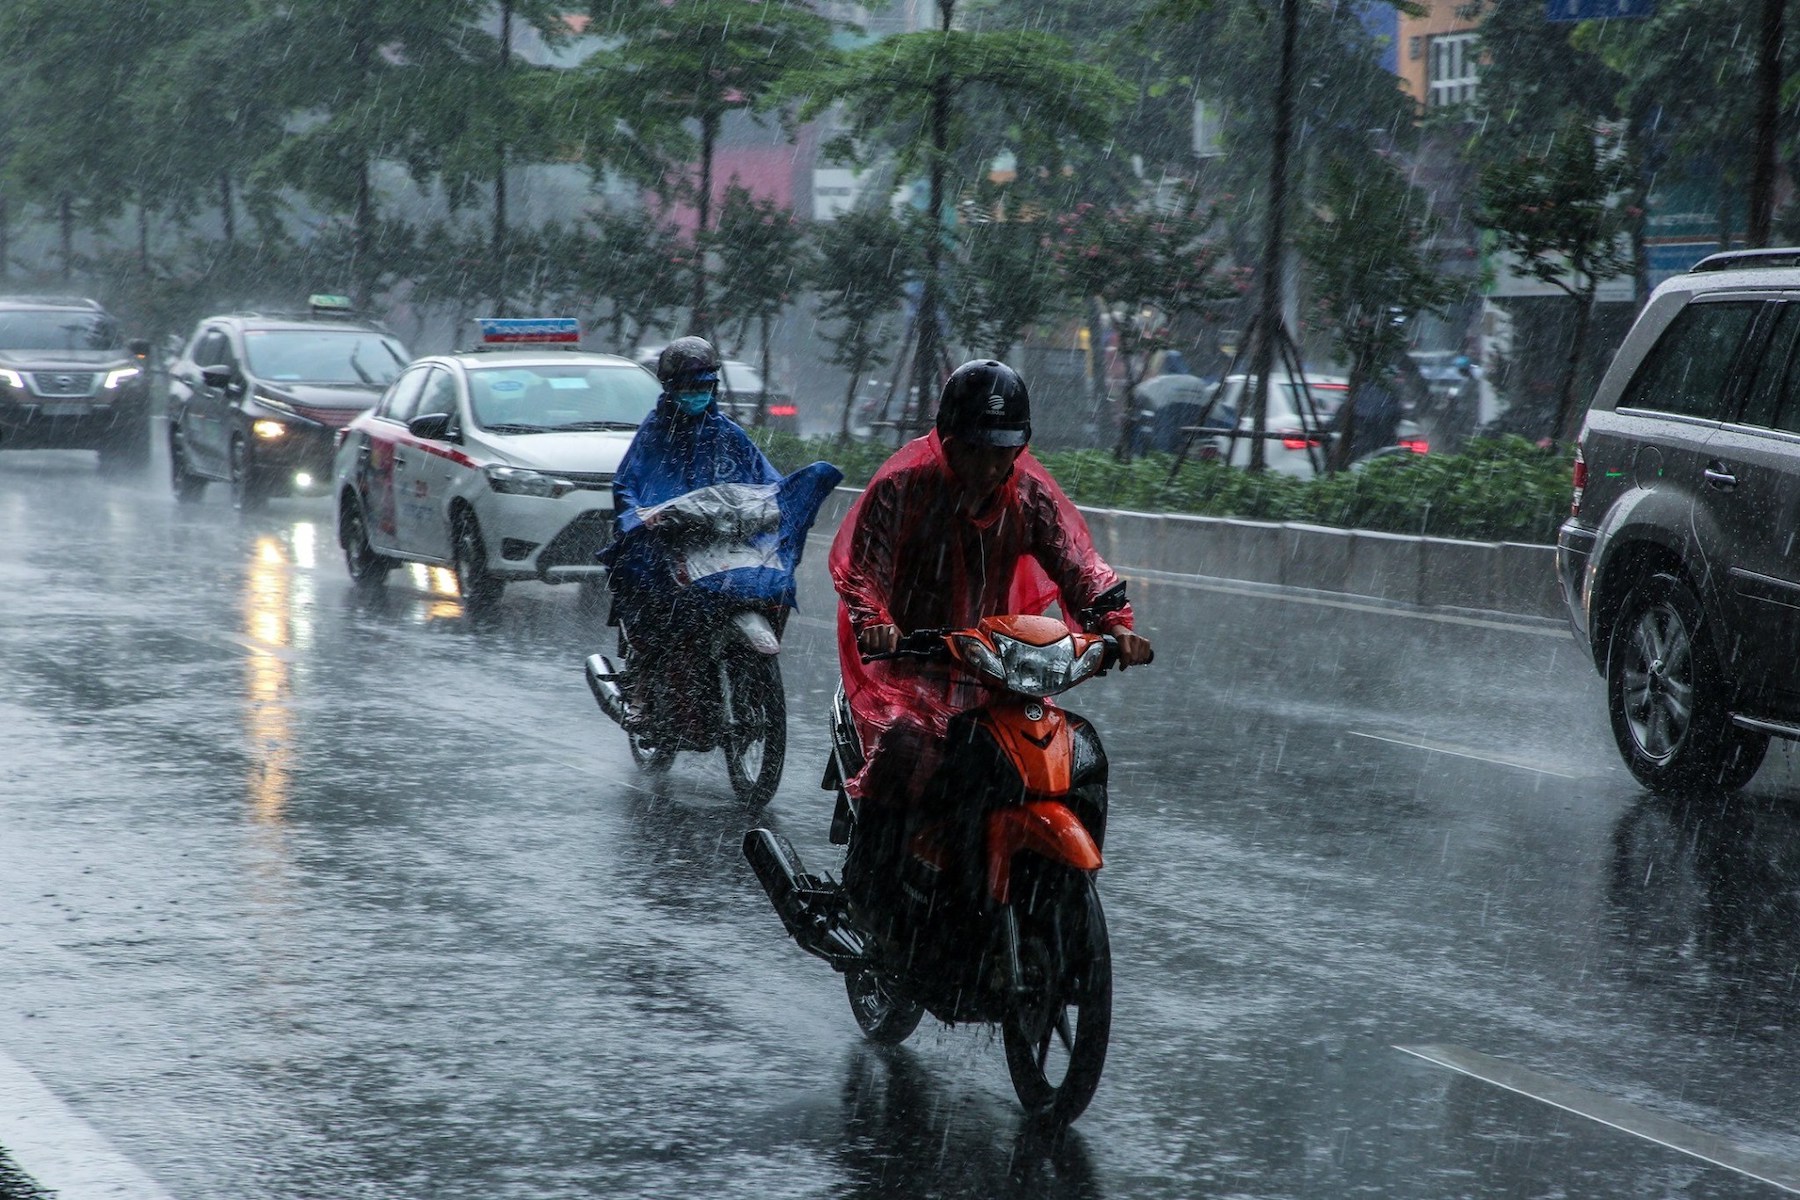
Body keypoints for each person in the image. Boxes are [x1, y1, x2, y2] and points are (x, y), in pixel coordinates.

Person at [829, 359, 1153, 911]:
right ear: (949, 440)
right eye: (975, 449)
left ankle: (1059, 896)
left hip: (994, 665)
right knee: (905, 744)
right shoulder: (902, 489)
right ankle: (865, 890)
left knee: (1077, 757)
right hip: (912, 668)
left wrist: (1114, 624)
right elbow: (865, 574)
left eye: (1002, 450)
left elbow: (1078, 564)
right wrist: (877, 623)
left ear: (1020, 445)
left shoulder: (1028, 495)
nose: (988, 465)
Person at [600, 336, 782, 725]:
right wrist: (639, 518)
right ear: (670, 387)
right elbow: (625, 485)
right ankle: (644, 689)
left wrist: (785, 502)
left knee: (773, 587)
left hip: (721, 541)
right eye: (689, 386)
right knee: (652, 603)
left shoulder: (728, 433)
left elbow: (767, 478)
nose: (698, 393)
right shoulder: (653, 433)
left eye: (705, 385)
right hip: (664, 543)